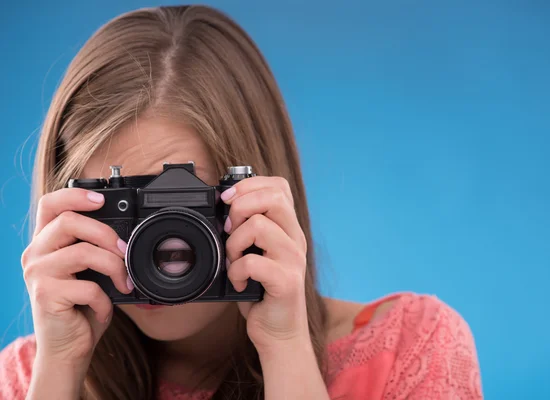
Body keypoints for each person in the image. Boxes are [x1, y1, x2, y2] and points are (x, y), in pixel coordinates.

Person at [0, 5, 483, 400]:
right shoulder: (28, 378)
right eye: (127, 211)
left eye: (185, 210)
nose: (157, 251)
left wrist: (286, 348)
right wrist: (58, 371)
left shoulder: (413, 349)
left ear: (260, 197)